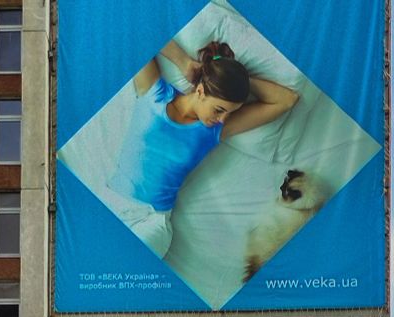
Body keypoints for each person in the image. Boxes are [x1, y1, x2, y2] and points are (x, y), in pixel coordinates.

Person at [109, 38, 299, 257]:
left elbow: (287, 100)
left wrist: (239, 79)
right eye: (219, 110)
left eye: (230, 113)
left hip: (151, 222)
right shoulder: (153, 92)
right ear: (200, 91)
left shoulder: (214, 131)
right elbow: (137, 34)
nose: (222, 119)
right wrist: (184, 62)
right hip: (114, 202)